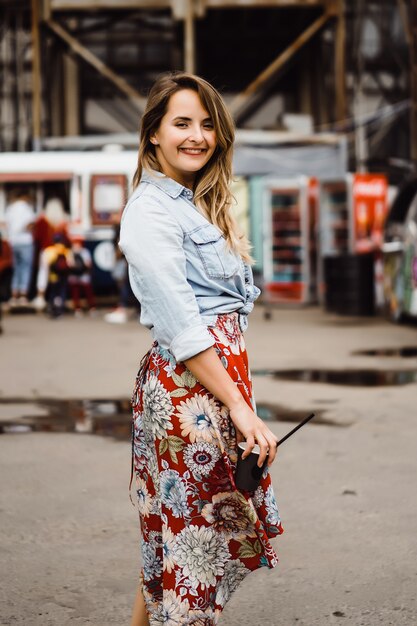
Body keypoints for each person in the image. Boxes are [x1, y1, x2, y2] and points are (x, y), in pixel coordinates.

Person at [119, 72, 283, 626]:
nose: (198, 135)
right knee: (191, 548)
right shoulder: (150, 211)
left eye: (208, 124)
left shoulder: (194, 204)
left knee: (175, 542)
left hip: (212, 383)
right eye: (182, 123)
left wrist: (238, 398)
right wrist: (238, 407)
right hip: (189, 391)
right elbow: (184, 327)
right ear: (153, 136)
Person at [4, 189, 35, 306]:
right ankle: (23, 295)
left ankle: (14, 295)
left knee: (16, 269)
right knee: (25, 268)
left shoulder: (11, 208)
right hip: (25, 241)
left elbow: (5, 223)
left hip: (14, 242)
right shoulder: (26, 208)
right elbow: (30, 224)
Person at [36, 233, 71, 318]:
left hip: (53, 276)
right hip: (63, 276)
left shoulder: (49, 250)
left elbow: (44, 264)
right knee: (62, 292)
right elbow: (70, 263)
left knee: (53, 292)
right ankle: (60, 308)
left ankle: (53, 308)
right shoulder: (65, 250)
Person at [67, 237, 96, 317]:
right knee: (75, 293)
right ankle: (77, 309)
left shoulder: (85, 252)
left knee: (88, 292)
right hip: (74, 275)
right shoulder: (70, 252)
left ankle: (92, 308)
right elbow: (69, 264)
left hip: (84, 275)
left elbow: (88, 264)